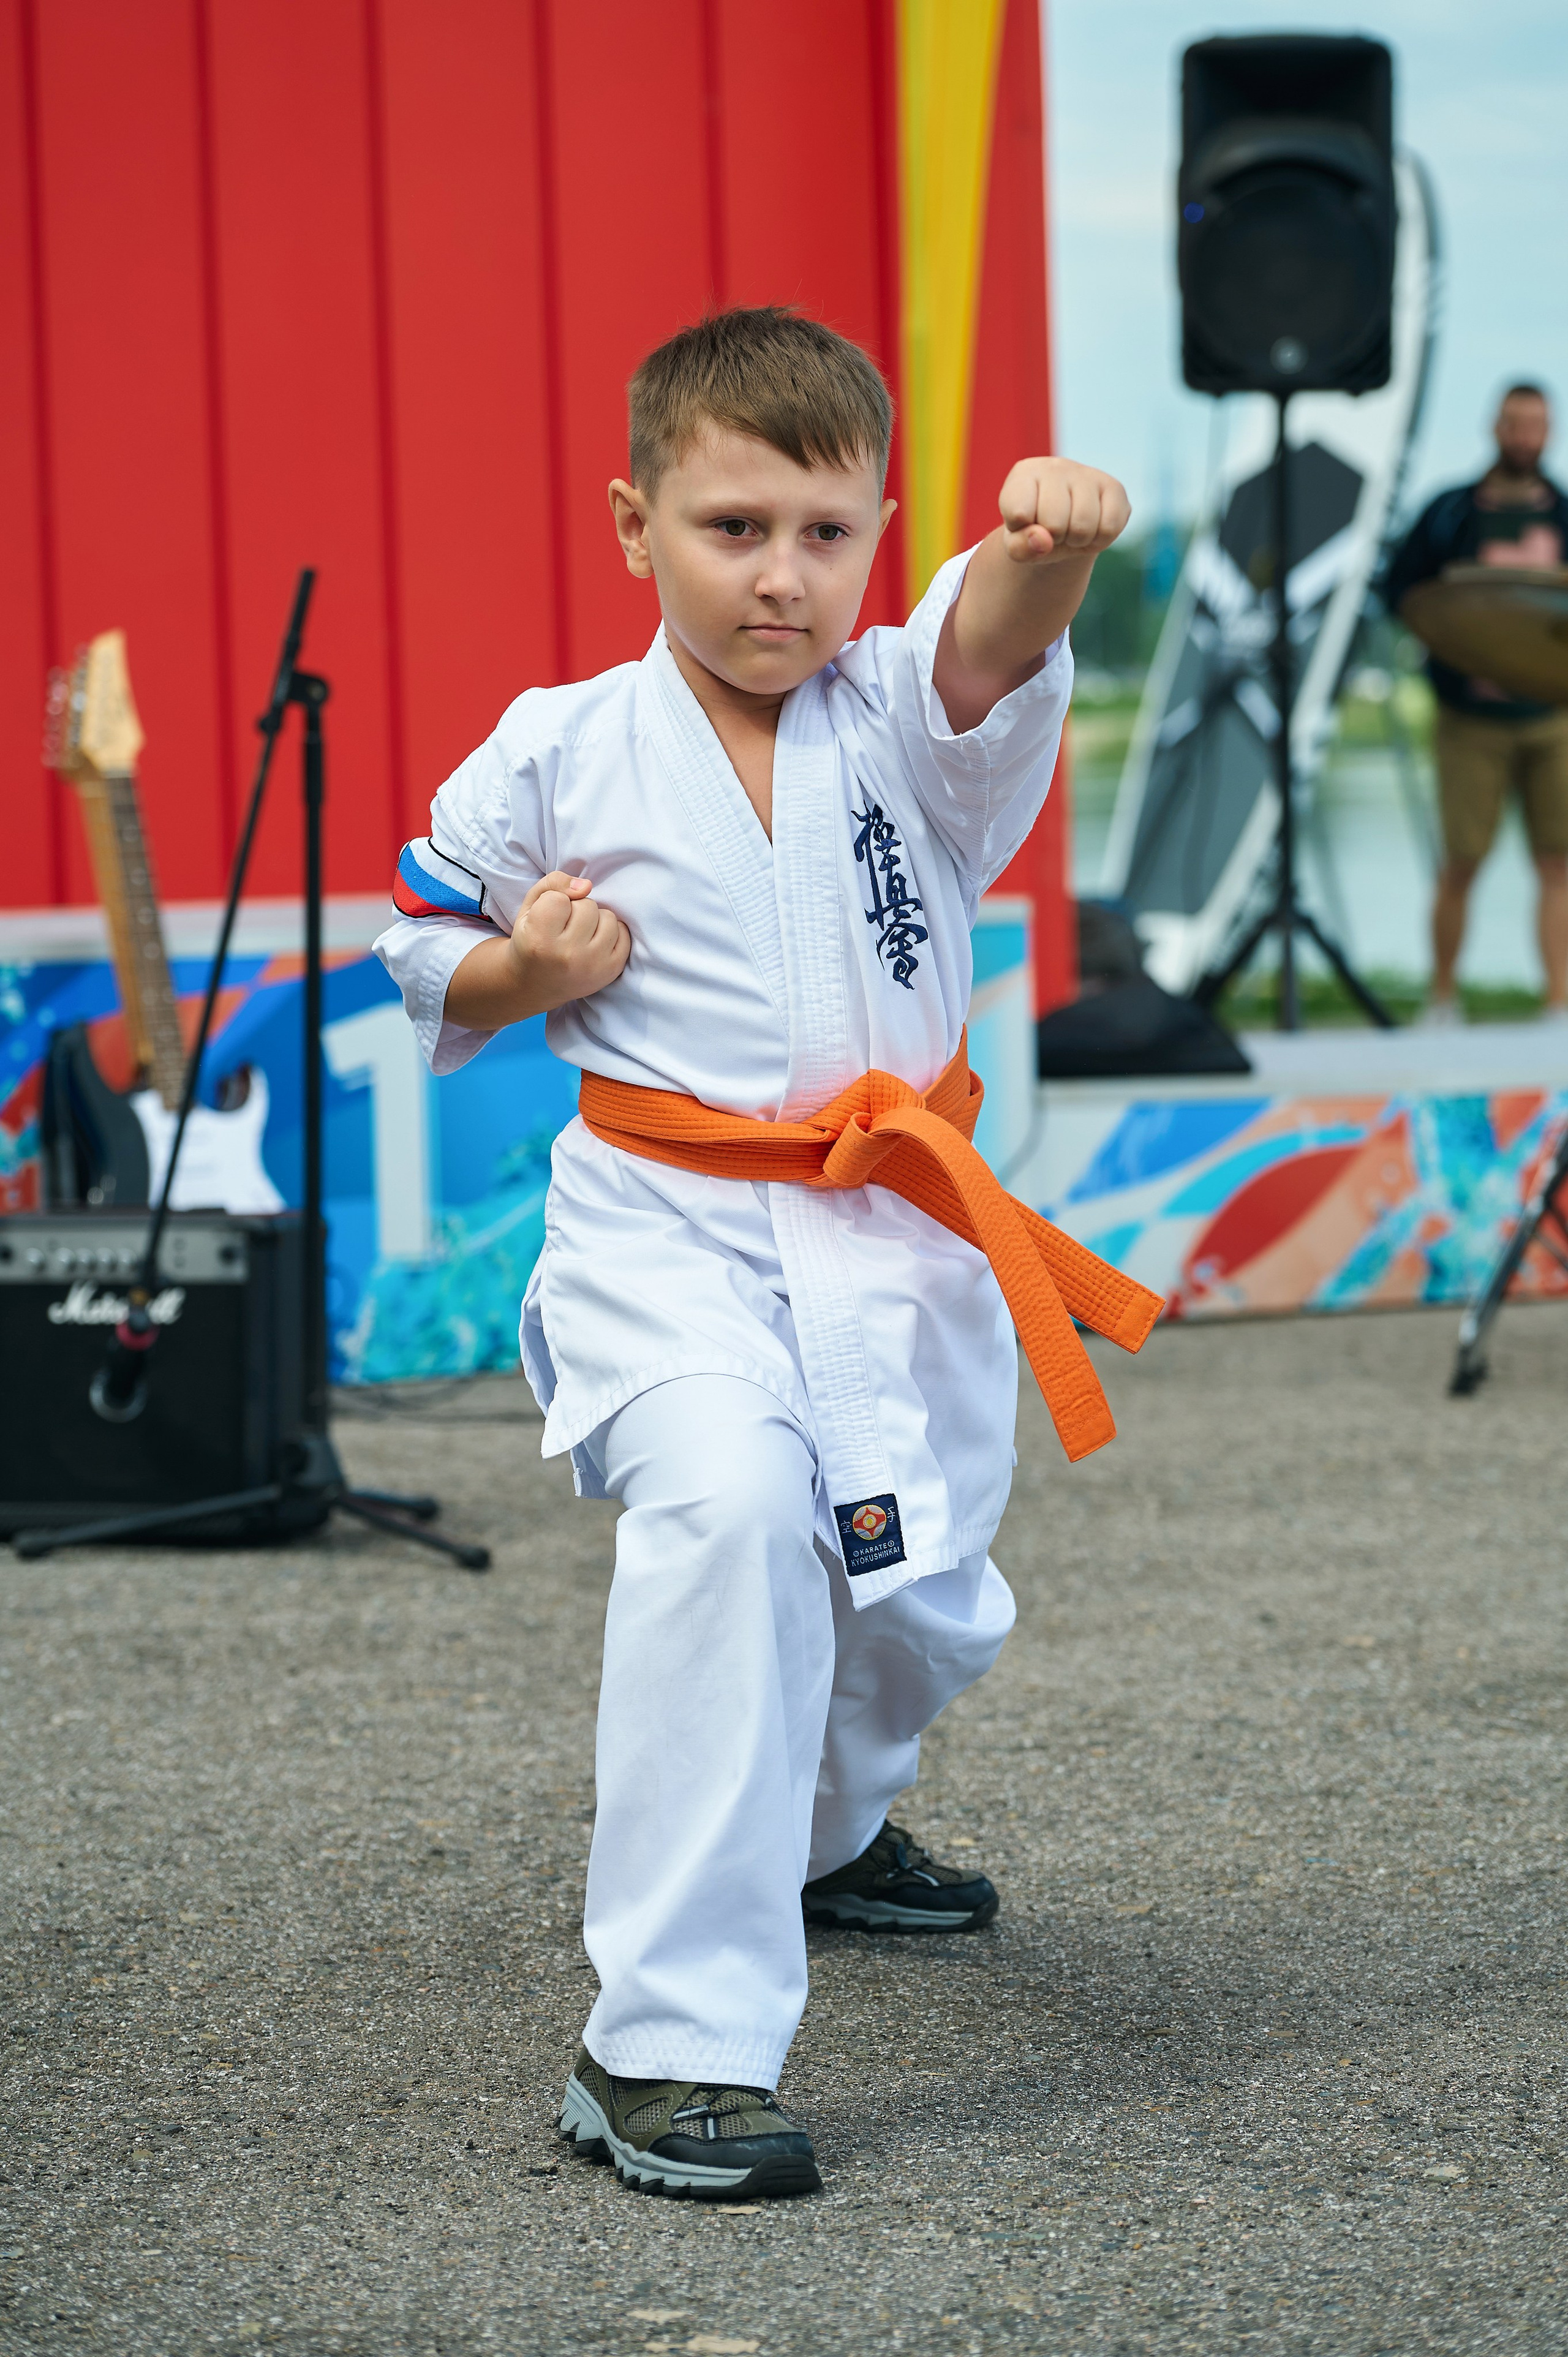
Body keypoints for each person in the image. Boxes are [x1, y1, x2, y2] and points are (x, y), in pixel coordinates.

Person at [375, 307, 1138, 2201]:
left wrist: (1041, 551)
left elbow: (989, 639)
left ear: (875, 529)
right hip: (670, 1234)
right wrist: (526, 972)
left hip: (890, 1240)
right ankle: (665, 2044)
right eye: (731, 528)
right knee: (728, 1515)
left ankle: (826, 1819)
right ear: (633, 523)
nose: (779, 575)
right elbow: (419, 940)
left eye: (823, 530)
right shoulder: (558, 749)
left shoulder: (902, 716)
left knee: (916, 1601)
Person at [1383, 382, 1568, 1025]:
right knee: (1461, 861)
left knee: (1557, 862)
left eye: (1536, 425)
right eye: (1515, 423)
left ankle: (1557, 1005)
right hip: (1471, 720)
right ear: (1495, 427)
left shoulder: (1563, 512)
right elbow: (1401, 591)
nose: (1524, 437)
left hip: (1552, 718)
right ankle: (1440, 999)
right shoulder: (1450, 513)